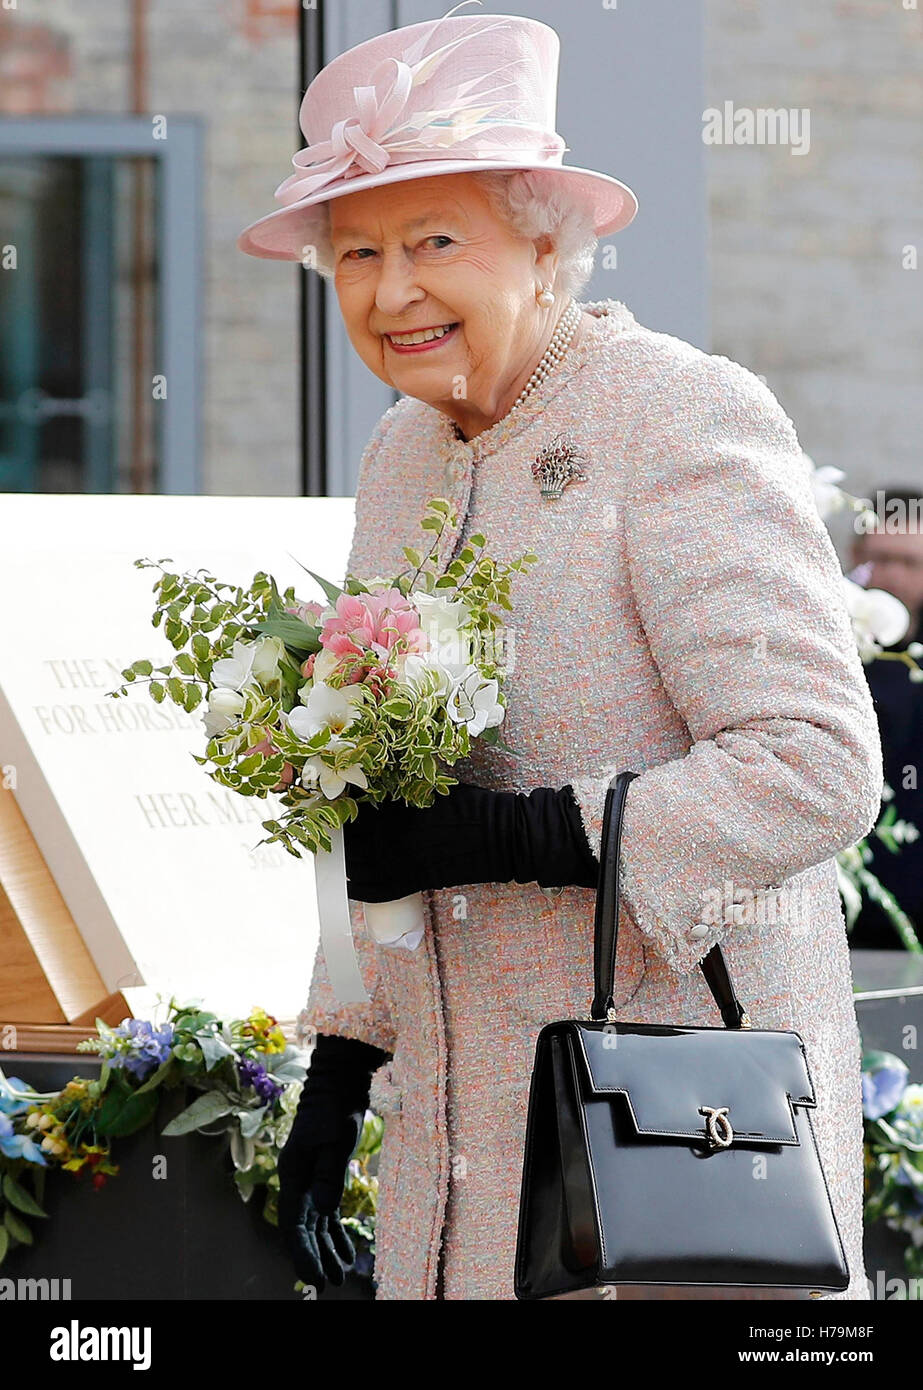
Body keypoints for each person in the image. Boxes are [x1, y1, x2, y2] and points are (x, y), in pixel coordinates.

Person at [237, 3, 883, 1300]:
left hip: (667, 1136)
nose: (392, 289)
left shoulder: (673, 413)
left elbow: (815, 764)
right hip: (449, 1150)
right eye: (354, 252)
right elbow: (379, 797)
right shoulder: (399, 454)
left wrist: (534, 835)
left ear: (543, 245)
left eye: (434, 240)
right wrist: (338, 1063)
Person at [848, 489, 923, 948]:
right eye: (881, 558)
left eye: (909, 562)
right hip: (847, 887)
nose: (892, 575)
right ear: (857, 555)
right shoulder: (825, 633)